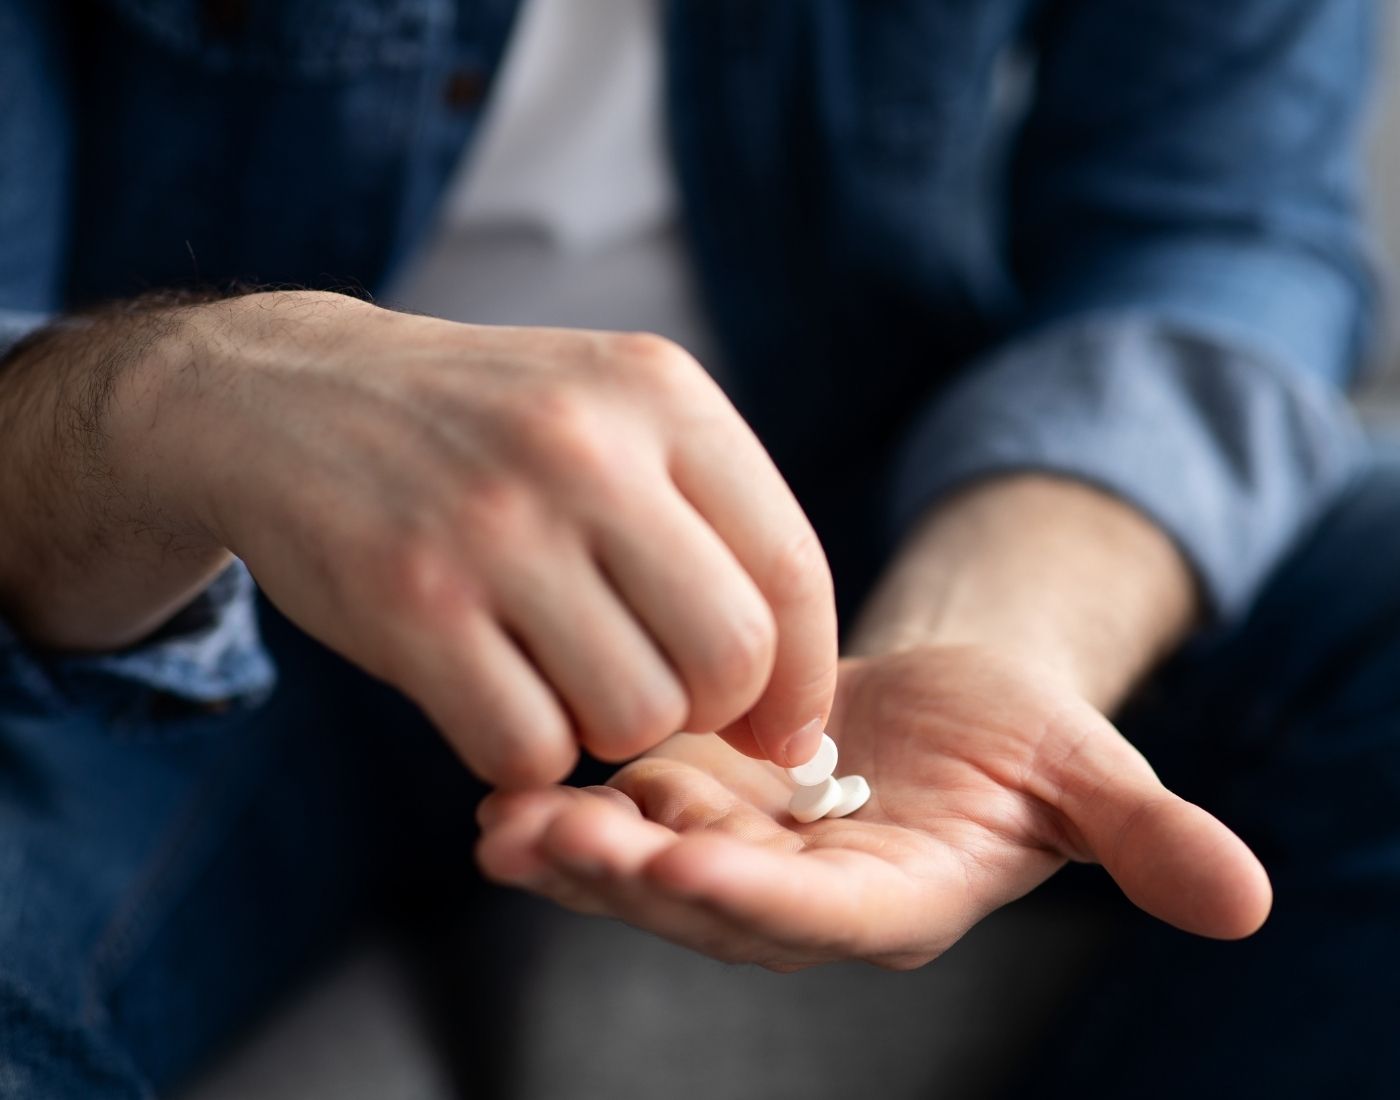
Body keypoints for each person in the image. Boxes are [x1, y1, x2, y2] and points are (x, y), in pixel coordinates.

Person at [0, 0, 1391, 1095]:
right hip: (178, 574)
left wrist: (982, 630)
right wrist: (198, 393)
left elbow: (1213, 235)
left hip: (860, 526)